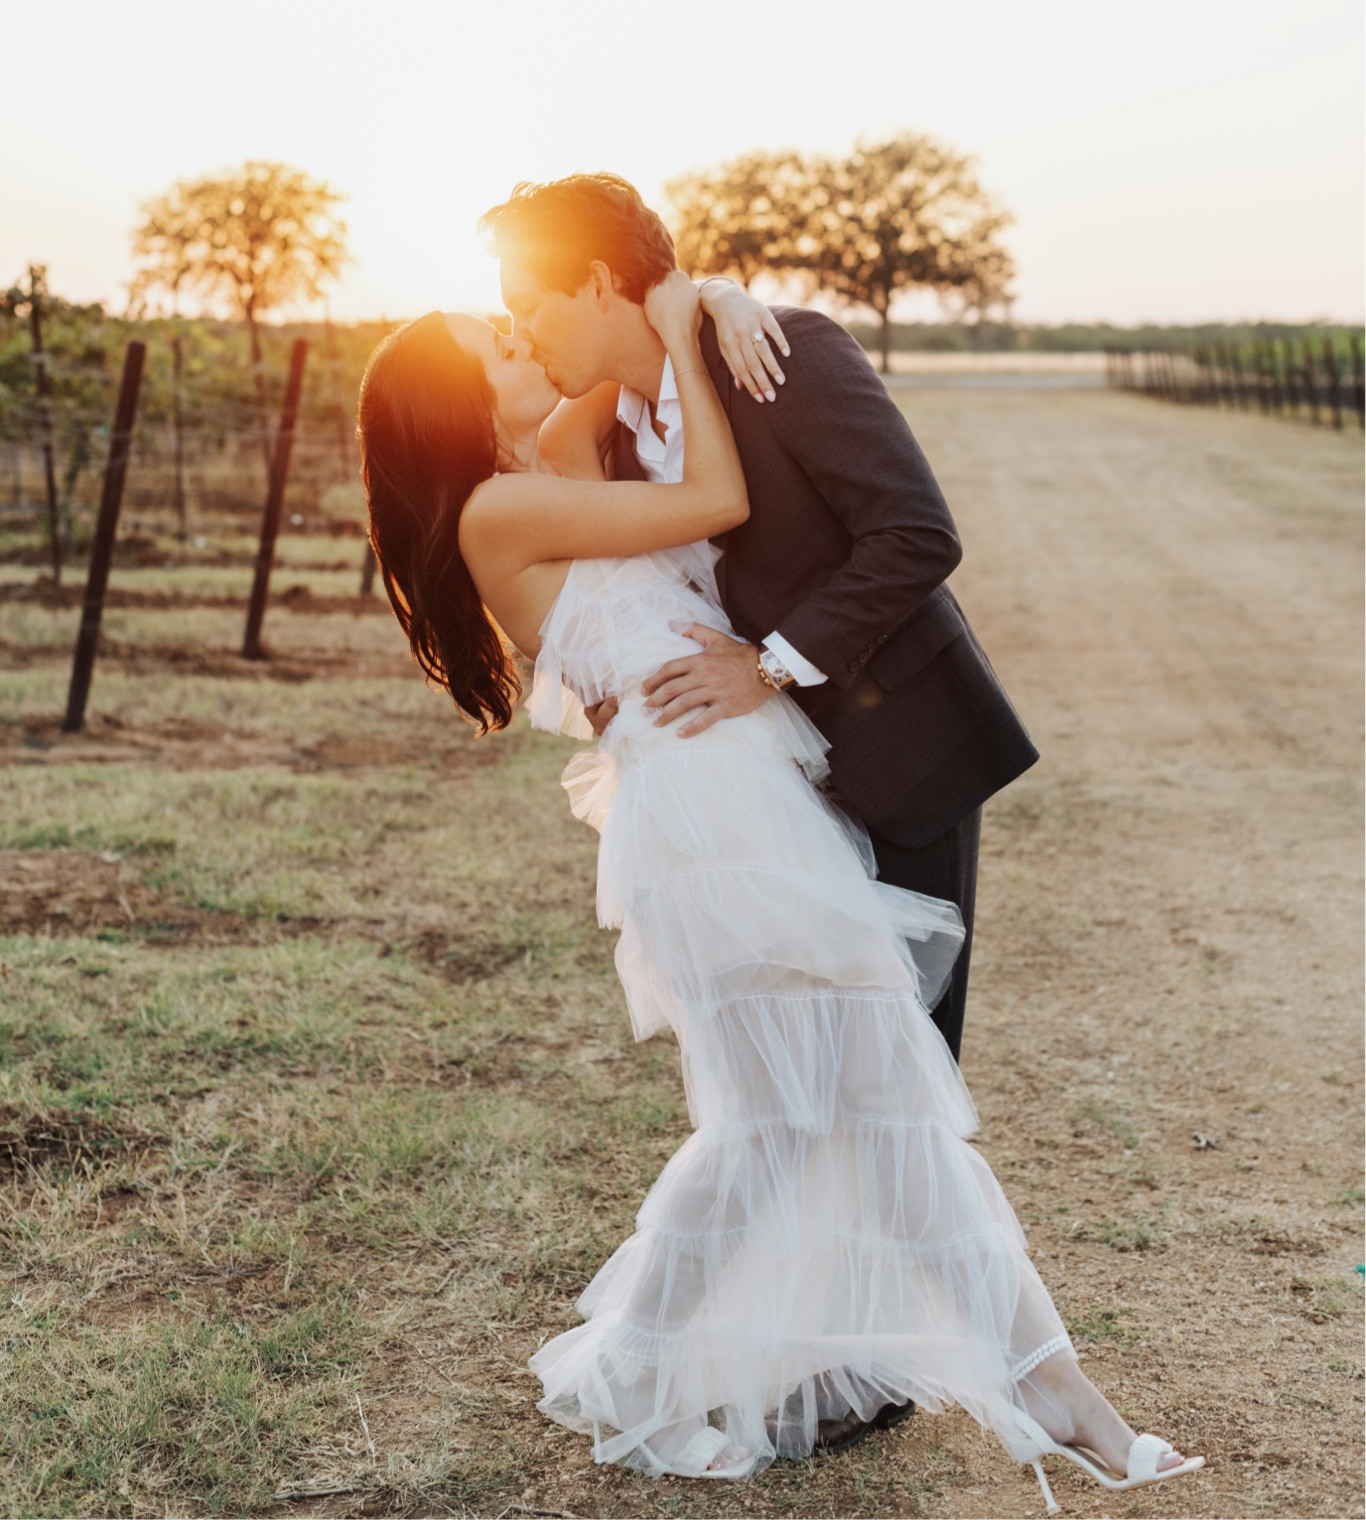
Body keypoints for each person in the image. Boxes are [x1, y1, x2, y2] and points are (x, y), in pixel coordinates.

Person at [356, 267, 1203, 1509]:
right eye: (496, 340)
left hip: (751, 800)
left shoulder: (555, 447)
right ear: (453, 404)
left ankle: (1033, 1381)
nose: (522, 333)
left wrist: (708, 297)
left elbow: (626, 329)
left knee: (841, 1106)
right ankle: (1031, 1384)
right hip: (708, 820)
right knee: (828, 1104)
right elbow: (715, 494)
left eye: (521, 313)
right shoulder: (497, 511)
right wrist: (688, 340)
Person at [480, 173, 1038, 1084]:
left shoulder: (784, 352)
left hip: (895, 746)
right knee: (802, 1067)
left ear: (590, 281)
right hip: (765, 793)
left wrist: (768, 668)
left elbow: (916, 535)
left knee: (908, 1066)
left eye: (528, 303)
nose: (523, 330)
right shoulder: (601, 440)